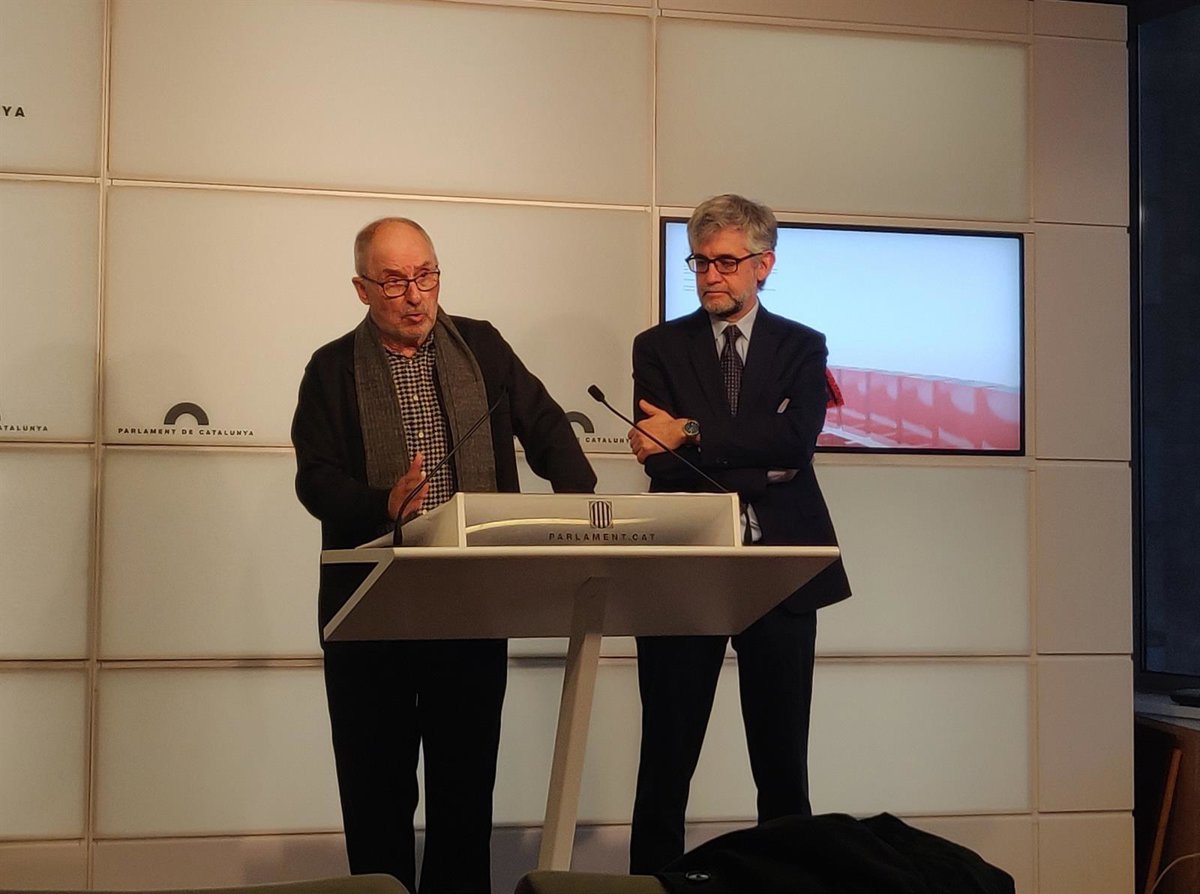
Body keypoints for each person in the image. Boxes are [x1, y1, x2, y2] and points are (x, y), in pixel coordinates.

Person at [291, 217, 596, 894]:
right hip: (372, 612)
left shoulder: (480, 348)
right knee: (377, 794)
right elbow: (315, 481)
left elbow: (547, 426)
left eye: (425, 275)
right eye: (394, 281)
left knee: (465, 793)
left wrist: (581, 507)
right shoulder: (332, 368)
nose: (415, 295)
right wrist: (382, 502)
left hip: (470, 603)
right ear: (361, 289)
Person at [626, 194, 851, 874]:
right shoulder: (659, 347)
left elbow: (795, 444)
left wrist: (693, 431)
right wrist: (755, 458)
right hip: (685, 570)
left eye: (726, 262)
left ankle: (787, 885)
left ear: (764, 265)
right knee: (665, 760)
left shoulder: (802, 345)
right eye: (700, 262)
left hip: (782, 570)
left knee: (782, 766)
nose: (710, 276)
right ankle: (652, 886)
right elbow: (662, 464)